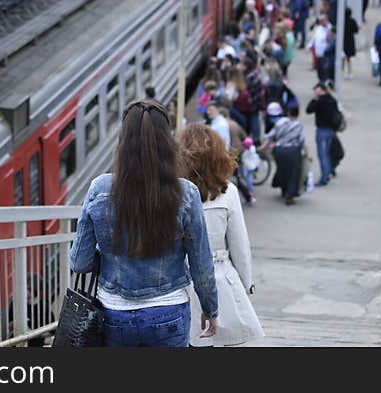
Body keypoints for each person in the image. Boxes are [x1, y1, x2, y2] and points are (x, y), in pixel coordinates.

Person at [69, 100, 218, 346]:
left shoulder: (99, 189)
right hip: (168, 311)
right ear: (167, 143)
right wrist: (210, 309)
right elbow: (201, 262)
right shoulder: (187, 193)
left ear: (123, 142)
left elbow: (79, 262)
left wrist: (109, 251)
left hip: (114, 315)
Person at [177, 124, 264, 346]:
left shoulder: (173, 191)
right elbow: (239, 245)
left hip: (180, 282)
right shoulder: (228, 192)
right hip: (220, 279)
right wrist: (246, 283)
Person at [262, 104, 304, 205]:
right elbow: (302, 140)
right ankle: (290, 195)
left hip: (279, 150)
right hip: (293, 151)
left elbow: (270, 136)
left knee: (282, 169)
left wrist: (263, 147)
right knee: (293, 173)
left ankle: (283, 189)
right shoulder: (298, 125)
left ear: (288, 113)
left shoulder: (280, 122)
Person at [305, 79, 340, 187]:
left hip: (321, 130)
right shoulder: (332, 100)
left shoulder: (319, 101)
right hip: (331, 130)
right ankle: (328, 172)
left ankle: (324, 178)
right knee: (327, 153)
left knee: (322, 155)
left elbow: (308, 110)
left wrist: (314, 99)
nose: (314, 92)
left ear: (320, 90)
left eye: (316, 90)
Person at [342, 7, 359, 79]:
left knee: (342, 56)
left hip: (343, 40)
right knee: (348, 58)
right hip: (350, 40)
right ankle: (349, 72)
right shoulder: (352, 21)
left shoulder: (342, 21)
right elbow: (356, 30)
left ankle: (342, 70)